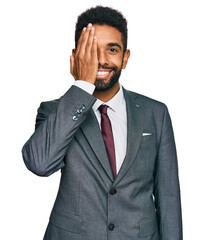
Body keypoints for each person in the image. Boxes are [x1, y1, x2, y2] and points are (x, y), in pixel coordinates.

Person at [22, 6, 182, 240]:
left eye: (112, 50)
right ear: (77, 56)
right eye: (92, 51)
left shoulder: (156, 113)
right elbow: (39, 163)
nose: (102, 60)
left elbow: (168, 197)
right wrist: (82, 87)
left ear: (125, 58)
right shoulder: (55, 111)